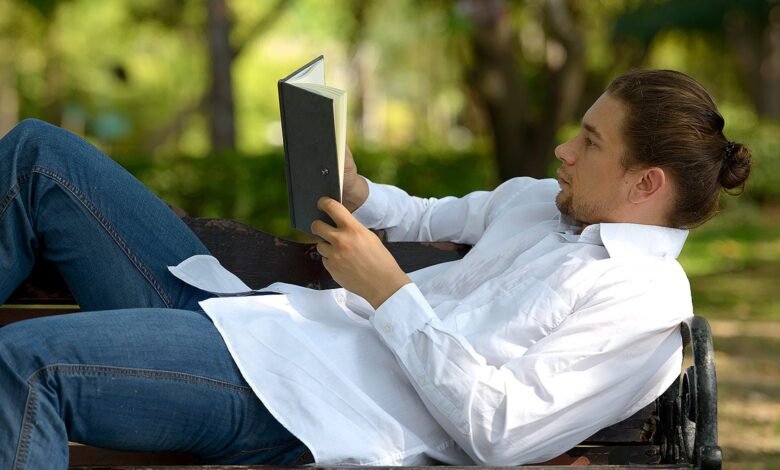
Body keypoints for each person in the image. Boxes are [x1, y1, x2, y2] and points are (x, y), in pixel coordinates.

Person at [0, 69, 751, 469]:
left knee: (25, 367)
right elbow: (430, 215)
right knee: (39, 155)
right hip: (260, 322)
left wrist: (390, 292)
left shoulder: (642, 306)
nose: (565, 150)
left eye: (590, 142)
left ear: (645, 183)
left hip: (297, 400)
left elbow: (502, 435)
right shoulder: (539, 203)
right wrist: (360, 193)